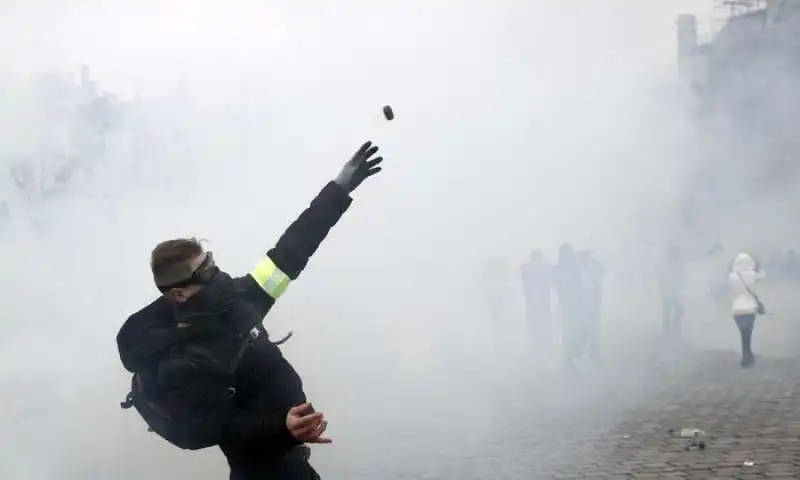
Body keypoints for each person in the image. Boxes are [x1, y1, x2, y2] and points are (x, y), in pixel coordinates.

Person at [116, 141, 384, 480]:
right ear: (180, 294)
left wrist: (340, 188)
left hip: (293, 463)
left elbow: (292, 251)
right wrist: (282, 429)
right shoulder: (185, 362)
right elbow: (224, 433)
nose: (217, 273)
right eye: (206, 271)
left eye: (211, 260)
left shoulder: (239, 299)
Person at [727, 252, 765, 368]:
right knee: (748, 333)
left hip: (737, 309)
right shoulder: (753, 275)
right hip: (750, 309)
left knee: (742, 333)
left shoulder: (732, 276)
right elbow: (762, 275)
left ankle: (746, 355)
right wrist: (758, 265)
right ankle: (747, 355)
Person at [553, 243, 584, 367]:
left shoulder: (558, 267)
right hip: (575, 301)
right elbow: (579, 282)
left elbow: (556, 284)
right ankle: (574, 352)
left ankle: (569, 352)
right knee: (575, 326)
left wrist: (562, 295)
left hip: (565, 302)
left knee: (567, 326)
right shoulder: (575, 265)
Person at [520, 249, 553, 353]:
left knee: (533, 320)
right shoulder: (546, 266)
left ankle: (536, 341)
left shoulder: (526, 267)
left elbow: (524, 279)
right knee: (544, 318)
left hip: (531, 297)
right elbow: (550, 280)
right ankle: (546, 340)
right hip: (543, 296)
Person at [578, 250, 604, 362]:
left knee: (584, 327)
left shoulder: (579, 268)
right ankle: (594, 352)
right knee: (593, 328)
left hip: (584, 303)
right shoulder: (594, 266)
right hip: (592, 302)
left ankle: (584, 351)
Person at [659, 247, 685, 336]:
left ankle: (674, 331)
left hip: (673, 292)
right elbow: (662, 279)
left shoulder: (677, 266)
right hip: (669, 292)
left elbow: (680, 279)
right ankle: (669, 332)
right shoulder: (668, 266)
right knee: (669, 313)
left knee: (674, 312)